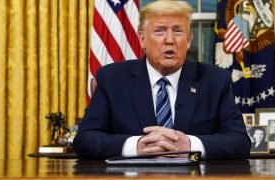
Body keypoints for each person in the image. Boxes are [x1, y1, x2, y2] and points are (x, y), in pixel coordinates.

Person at [73, 0, 250, 160]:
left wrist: (189, 145)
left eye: (178, 31)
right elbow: (85, 140)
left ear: (189, 40)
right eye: (159, 31)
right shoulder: (112, 79)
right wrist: (137, 146)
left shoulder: (215, 80)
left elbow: (240, 142)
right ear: (142, 39)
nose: (170, 40)